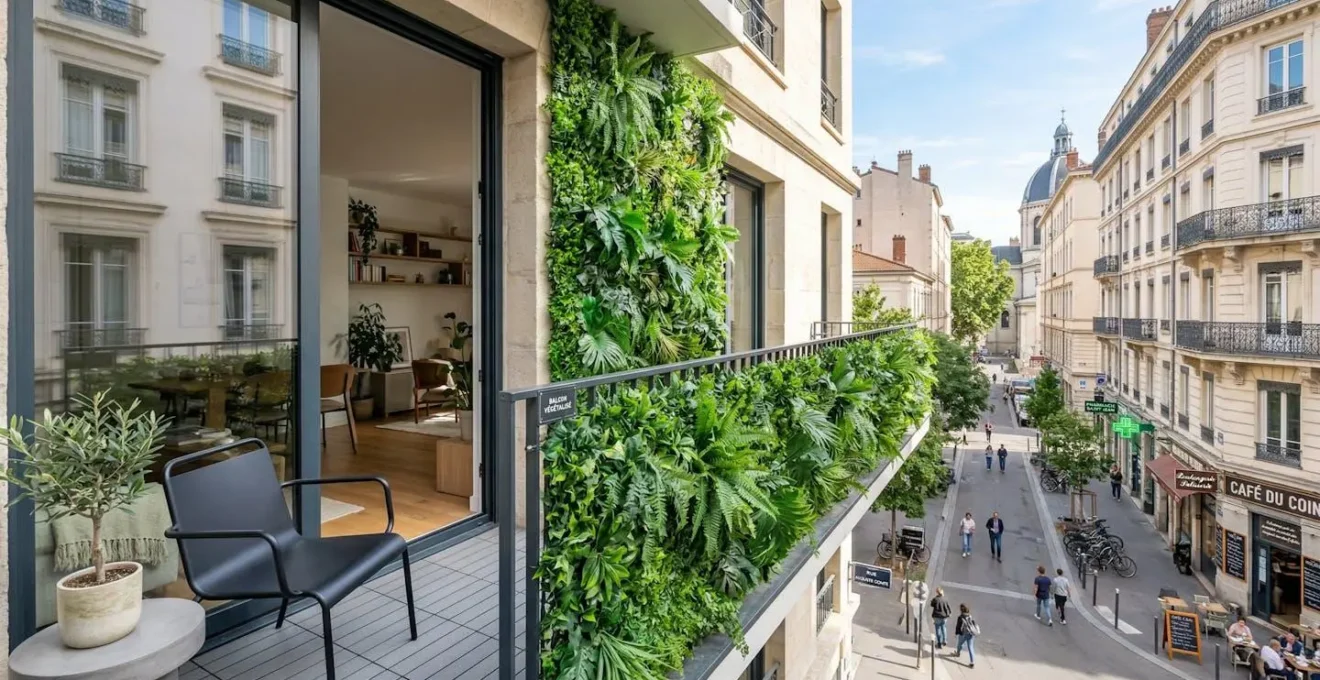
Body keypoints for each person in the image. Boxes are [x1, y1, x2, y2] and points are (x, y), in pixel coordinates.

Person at [953, 603, 977, 668]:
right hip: (971, 633)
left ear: (961, 610)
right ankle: (972, 662)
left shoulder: (960, 617)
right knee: (970, 647)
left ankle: (957, 653)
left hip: (963, 634)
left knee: (959, 644)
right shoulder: (970, 616)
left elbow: (958, 627)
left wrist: (956, 633)